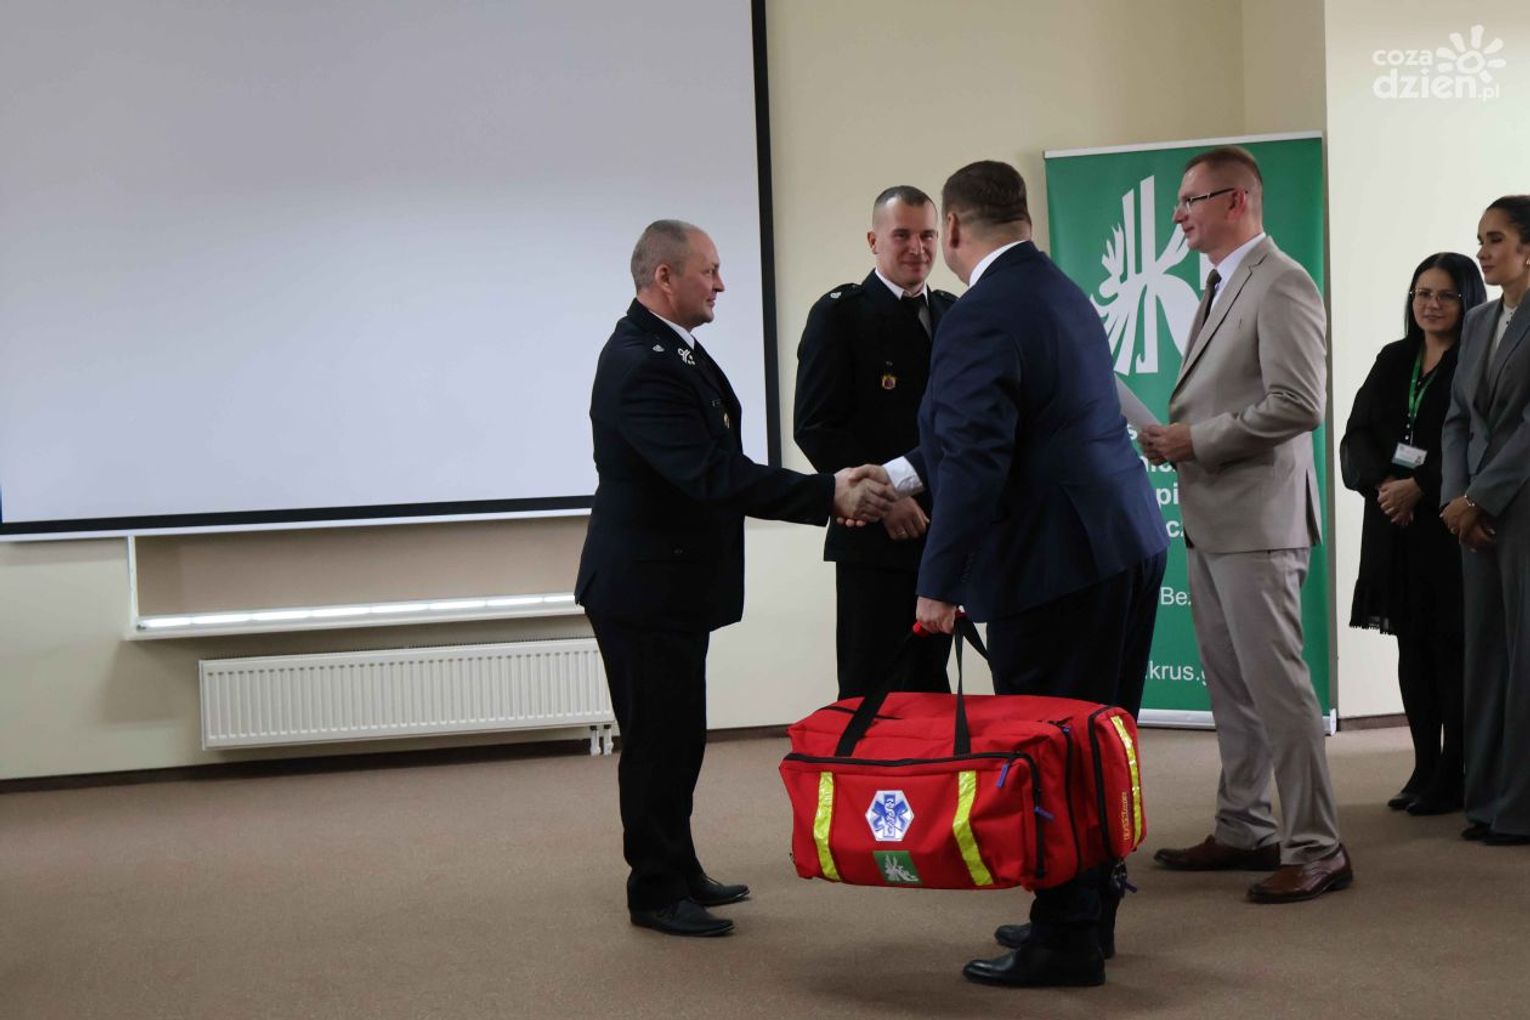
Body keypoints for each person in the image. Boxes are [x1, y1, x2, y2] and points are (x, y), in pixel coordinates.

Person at [889, 160, 1168, 988]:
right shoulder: (1060, 291)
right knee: (1097, 744)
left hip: (1054, 565)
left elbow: (977, 456)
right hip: (1119, 542)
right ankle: (1088, 910)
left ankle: (1064, 939)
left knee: (1049, 752)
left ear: (954, 227)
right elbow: (1019, 427)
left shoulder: (979, 313)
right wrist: (895, 475)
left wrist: (939, 583)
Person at [575, 220, 895, 937]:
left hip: (671, 584)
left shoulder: (673, 350)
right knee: (657, 741)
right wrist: (828, 493)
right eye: (709, 270)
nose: (721, 284)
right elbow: (712, 473)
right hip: (641, 588)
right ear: (664, 277)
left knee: (680, 735)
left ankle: (679, 865)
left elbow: (718, 465)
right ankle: (655, 890)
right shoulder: (640, 362)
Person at [1140, 146, 1352, 903]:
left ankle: (1318, 848)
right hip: (1214, 516)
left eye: (1190, 200)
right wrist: (1177, 440)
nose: (1178, 215)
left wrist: (1195, 440)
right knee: (1231, 690)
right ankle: (1244, 827)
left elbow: (1300, 403)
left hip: (1260, 520)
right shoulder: (1223, 283)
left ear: (1236, 201)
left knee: (1279, 691)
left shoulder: (1281, 281)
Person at [794, 186, 956, 699]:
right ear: (873, 241)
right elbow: (815, 426)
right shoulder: (840, 315)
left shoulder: (954, 313)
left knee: (931, 688)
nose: (917, 248)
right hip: (873, 539)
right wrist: (888, 500)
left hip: (942, 534)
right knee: (872, 692)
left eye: (927, 235)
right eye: (902, 235)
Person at [1341, 253, 1485, 816]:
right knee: (1411, 647)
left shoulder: (1473, 361)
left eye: (1445, 295)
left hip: (1444, 522)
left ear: (1467, 301)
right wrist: (1385, 485)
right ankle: (1424, 766)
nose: (1431, 304)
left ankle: (1454, 772)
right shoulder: (1394, 357)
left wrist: (1420, 487)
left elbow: (1475, 441)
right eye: (1422, 293)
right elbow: (1357, 432)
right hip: (1391, 522)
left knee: (1450, 650)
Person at [1441, 195, 1530, 847]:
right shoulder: (1477, 321)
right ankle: (1486, 801)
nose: (1482, 251)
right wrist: (1456, 500)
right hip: (1471, 511)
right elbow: (1457, 419)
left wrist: (1482, 497)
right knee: (1485, 657)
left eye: (1495, 239)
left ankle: (1521, 811)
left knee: (1524, 658)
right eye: (1480, 238)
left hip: (1519, 503)